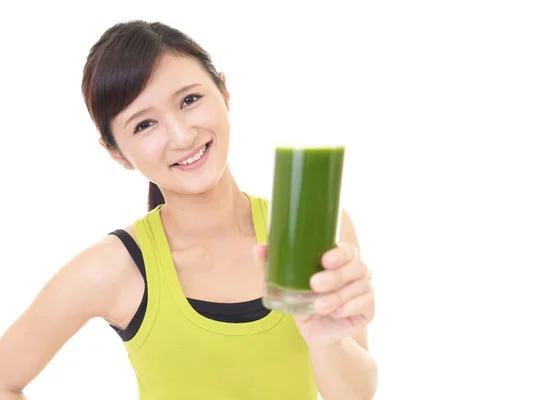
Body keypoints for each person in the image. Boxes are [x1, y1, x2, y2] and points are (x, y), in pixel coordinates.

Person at [0, 20, 377, 400]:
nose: (181, 135)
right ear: (116, 152)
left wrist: (326, 342)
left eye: (189, 100)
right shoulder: (113, 268)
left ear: (224, 91)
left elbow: (356, 395)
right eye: (145, 124)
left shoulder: (314, 230)